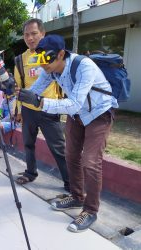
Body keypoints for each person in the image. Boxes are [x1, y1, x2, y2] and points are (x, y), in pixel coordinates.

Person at [19, 34, 118, 233]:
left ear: (61, 54)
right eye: (41, 60)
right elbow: (35, 91)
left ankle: (90, 210)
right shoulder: (50, 69)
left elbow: (73, 102)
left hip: (99, 112)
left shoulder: (84, 66)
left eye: (47, 60)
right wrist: (16, 91)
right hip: (77, 115)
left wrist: (40, 102)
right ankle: (76, 197)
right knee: (71, 155)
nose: (44, 65)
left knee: (90, 161)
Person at [14, 18, 69, 192]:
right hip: (28, 111)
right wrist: (19, 109)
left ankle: (70, 182)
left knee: (58, 148)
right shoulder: (19, 60)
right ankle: (30, 173)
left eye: (34, 33)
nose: (30, 38)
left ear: (43, 34)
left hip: (50, 109)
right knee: (28, 144)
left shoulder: (54, 54)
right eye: (26, 34)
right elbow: (19, 87)